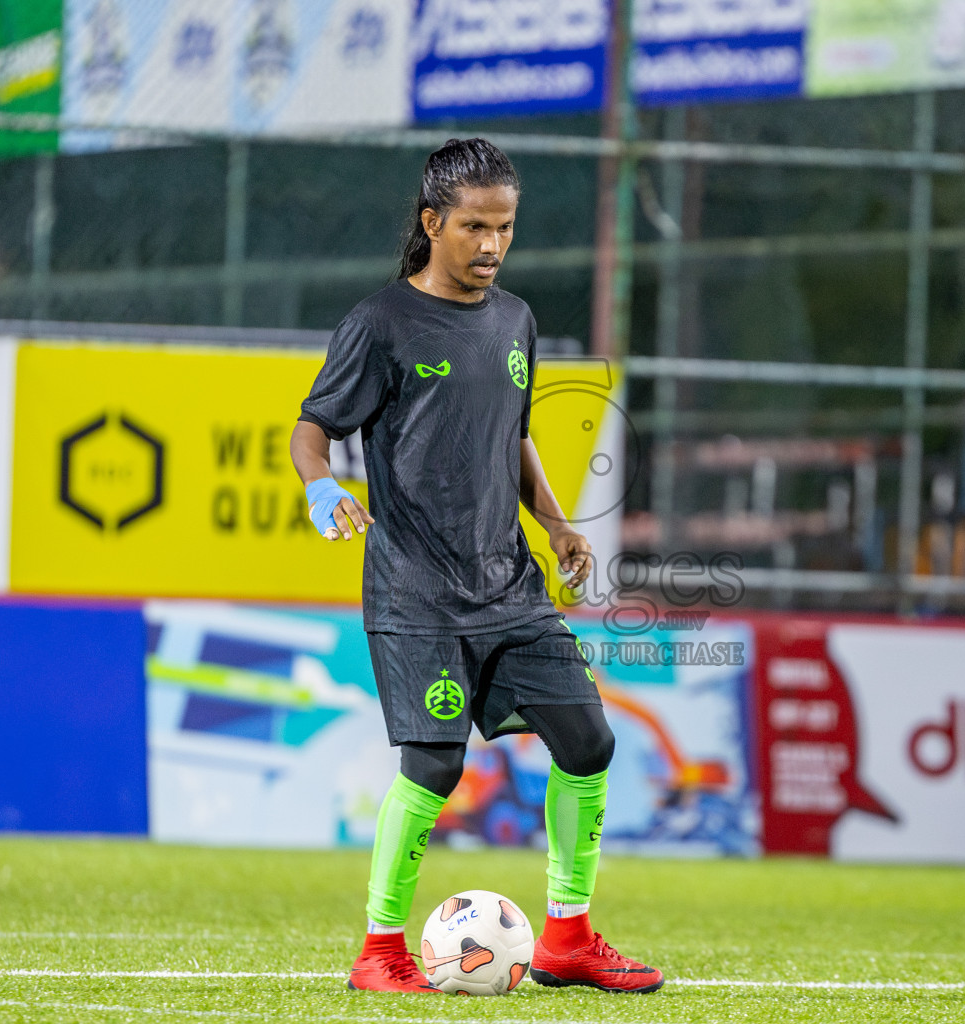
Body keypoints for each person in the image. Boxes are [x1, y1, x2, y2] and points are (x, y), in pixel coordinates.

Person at [288, 138, 663, 995]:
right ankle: (381, 951)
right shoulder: (379, 325)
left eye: (505, 227)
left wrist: (561, 528)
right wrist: (319, 488)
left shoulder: (516, 320)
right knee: (434, 767)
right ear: (433, 224)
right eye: (473, 227)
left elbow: (515, 437)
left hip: (510, 589)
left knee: (588, 740)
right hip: (416, 593)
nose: (491, 245)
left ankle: (567, 938)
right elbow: (315, 429)